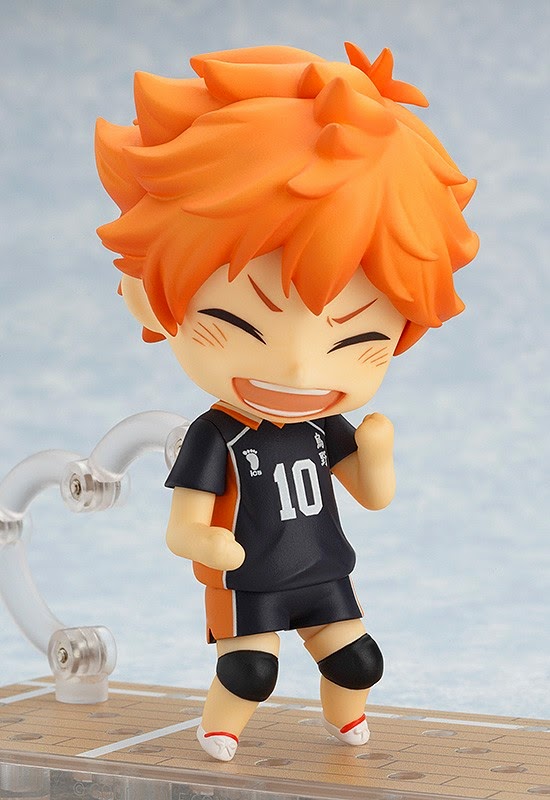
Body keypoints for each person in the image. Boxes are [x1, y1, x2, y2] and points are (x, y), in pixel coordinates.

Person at [95, 41, 478, 761]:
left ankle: (347, 719)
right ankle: (220, 726)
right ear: (147, 296)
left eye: (355, 340)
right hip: (250, 576)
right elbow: (183, 526)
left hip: (324, 570)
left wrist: (378, 453)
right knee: (251, 669)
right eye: (240, 324)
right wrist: (206, 544)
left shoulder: (326, 426)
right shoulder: (219, 434)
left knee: (358, 661)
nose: (302, 366)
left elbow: (373, 495)